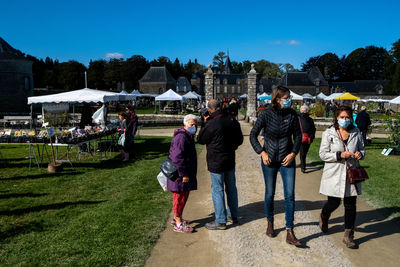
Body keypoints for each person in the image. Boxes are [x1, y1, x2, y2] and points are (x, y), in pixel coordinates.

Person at [249, 86, 302, 246]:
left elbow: (298, 136)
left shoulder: (292, 114)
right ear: (278, 99)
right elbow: (253, 135)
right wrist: (262, 152)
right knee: (270, 193)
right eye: (286, 97)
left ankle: (290, 230)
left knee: (290, 195)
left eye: (289, 97)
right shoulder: (265, 114)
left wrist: (293, 153)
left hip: (287, 159)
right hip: (269, 160)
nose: (289, 99)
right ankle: (270, 222)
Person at [319, 105, 365, 249]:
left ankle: (348, 235)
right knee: (334, 203)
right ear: (337, 118)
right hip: (334, 173)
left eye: (347, 117)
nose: (345, 120)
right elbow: (322, 154)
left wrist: (360, 154)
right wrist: (339, 155)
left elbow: (362, 149)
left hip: (351, 173)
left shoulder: (356, 132)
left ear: (351, 118)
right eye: (342, 117)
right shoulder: (329, 133)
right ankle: (324, 215)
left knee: (350, 205)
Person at [197, 99, 243, 230]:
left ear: (210, 110)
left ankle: (221, 220)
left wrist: (204, 124)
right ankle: (233, 215)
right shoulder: (231, 120)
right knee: (231, 188)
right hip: (229, 158)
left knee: (217, 189)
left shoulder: (211, 123)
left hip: (216, 160)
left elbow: (200, 139)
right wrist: (232, 147)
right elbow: (240, 139)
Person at [167, 114, 199, 233]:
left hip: (185, 173)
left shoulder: (187, 136)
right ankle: (178, 222)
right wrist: (183, 174)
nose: (194, 127)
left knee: (183, 197)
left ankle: (178, 217)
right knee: (179, 197)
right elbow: (177, 158)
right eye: (192, 125)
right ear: (185, 124)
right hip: (180, 175)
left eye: (195, 125)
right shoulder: (181, 137)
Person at [298, 105, 316, 173]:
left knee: (304, 152)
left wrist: (311, 137)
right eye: (302, 110)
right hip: (300, 138)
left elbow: (313, 129)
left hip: (308, 138)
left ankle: (302, 163)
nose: (303, 111)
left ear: (307, 111)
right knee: (302, 153)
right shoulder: (298, 118)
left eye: (304, 110)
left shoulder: (310, 119)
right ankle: (303, 167)